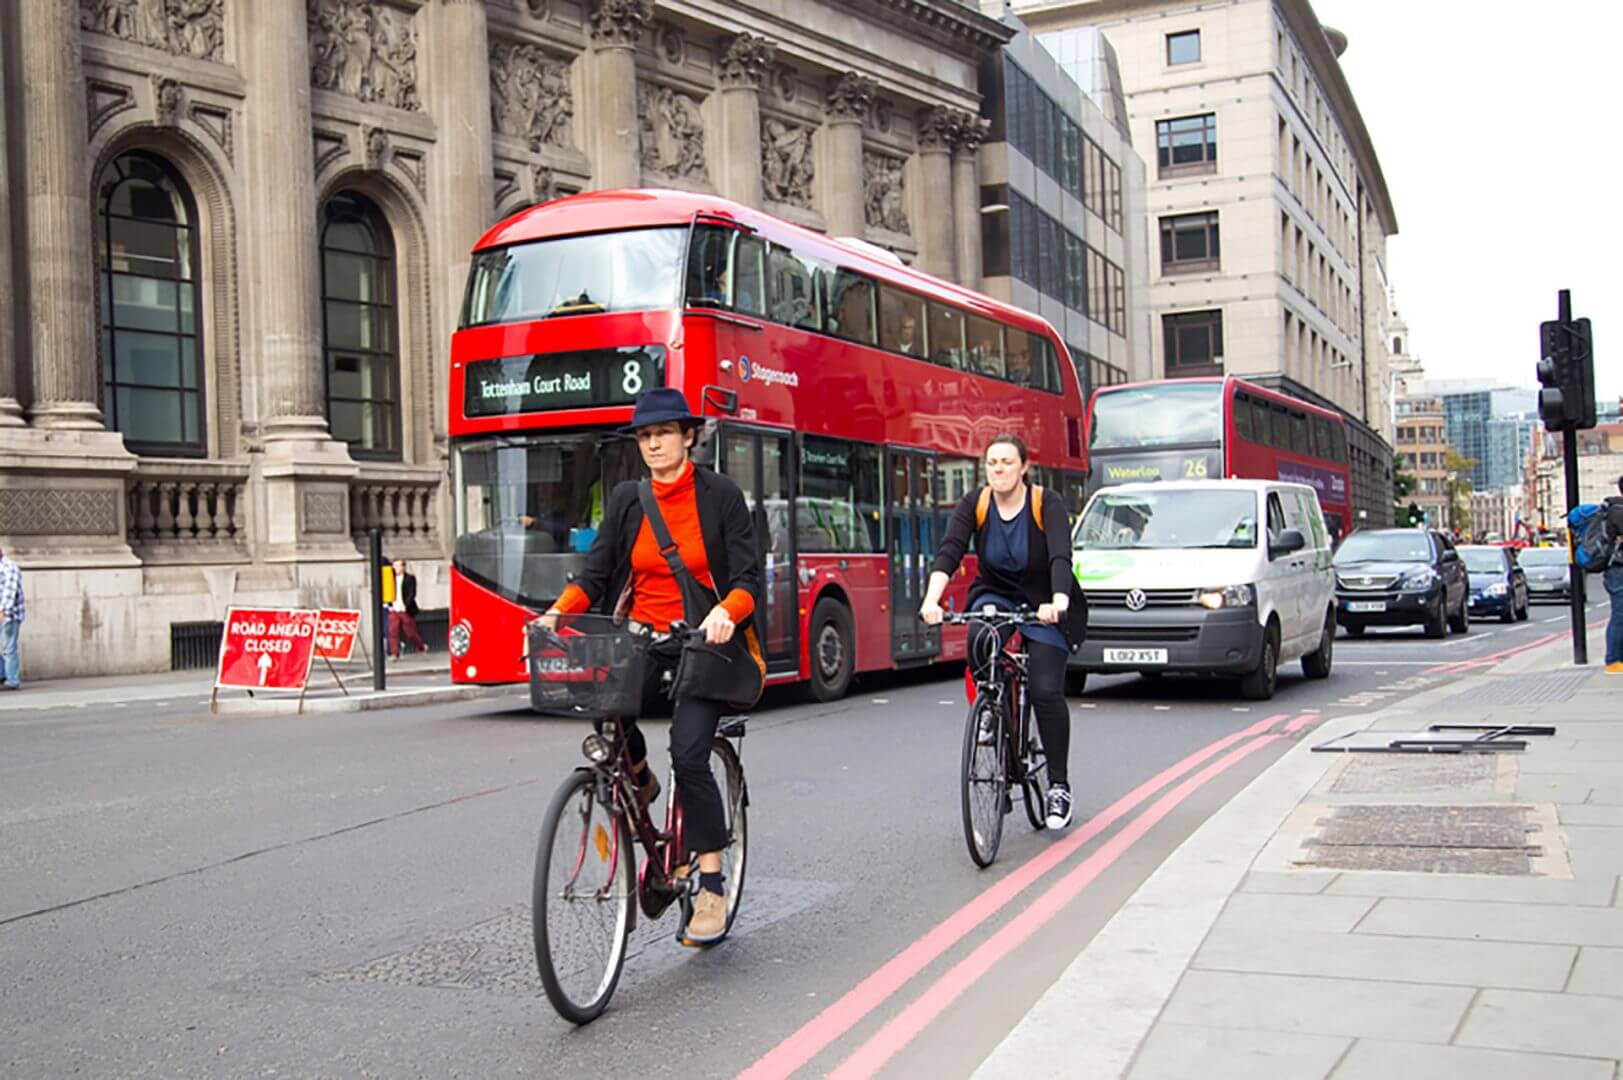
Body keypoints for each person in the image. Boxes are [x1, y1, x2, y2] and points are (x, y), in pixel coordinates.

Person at [539, 387, 764, 944]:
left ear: (689, 436)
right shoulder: (628, 499)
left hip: (709, 641)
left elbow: (747, 580)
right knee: (603, 708)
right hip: (647, 638)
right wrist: (556, 615)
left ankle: (709, 882)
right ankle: (640, 784)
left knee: (690, 754)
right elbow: (596, 574)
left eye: (663, 433)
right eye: (644, 436)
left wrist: (725, 614)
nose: (653, 444)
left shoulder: (721, 496)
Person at [920, 434, 1081, 829]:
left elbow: (1061, 556)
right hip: (997, 593)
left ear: (1024, 467)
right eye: (992, 462)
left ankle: (1058, 786)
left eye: (1007, 462)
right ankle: (992, 706)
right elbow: (950, 550)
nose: (999, 469)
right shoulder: (975, 503)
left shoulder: (1047, 503)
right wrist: (931, 600)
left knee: (1045, 689)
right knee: (979, 635)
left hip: (1044, 600)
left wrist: (1058, 601)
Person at [387, 559, 427, 659]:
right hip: (394, 608)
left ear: (403, 567)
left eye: (397, 566)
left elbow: (412, 593)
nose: (395, 568)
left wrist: (406, 605)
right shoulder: (390, 578)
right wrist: (389, 604)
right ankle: (394, 653)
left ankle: (420, 646)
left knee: (410, 632)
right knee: (393, 631)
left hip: (405, 609)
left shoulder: (410, 578)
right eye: (394, 566)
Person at [1604, 476, 1623, 674]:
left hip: (1617, 569)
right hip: (1618, 569)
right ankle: (1614, 660)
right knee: (1620, 615)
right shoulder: (1618, 512)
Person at [0, 544, 22, 691]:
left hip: (9, 614)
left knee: (8, 647)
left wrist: (2, 611)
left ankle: (12, 679)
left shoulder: (10, 567)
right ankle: (2, 674)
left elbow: (10, 591)